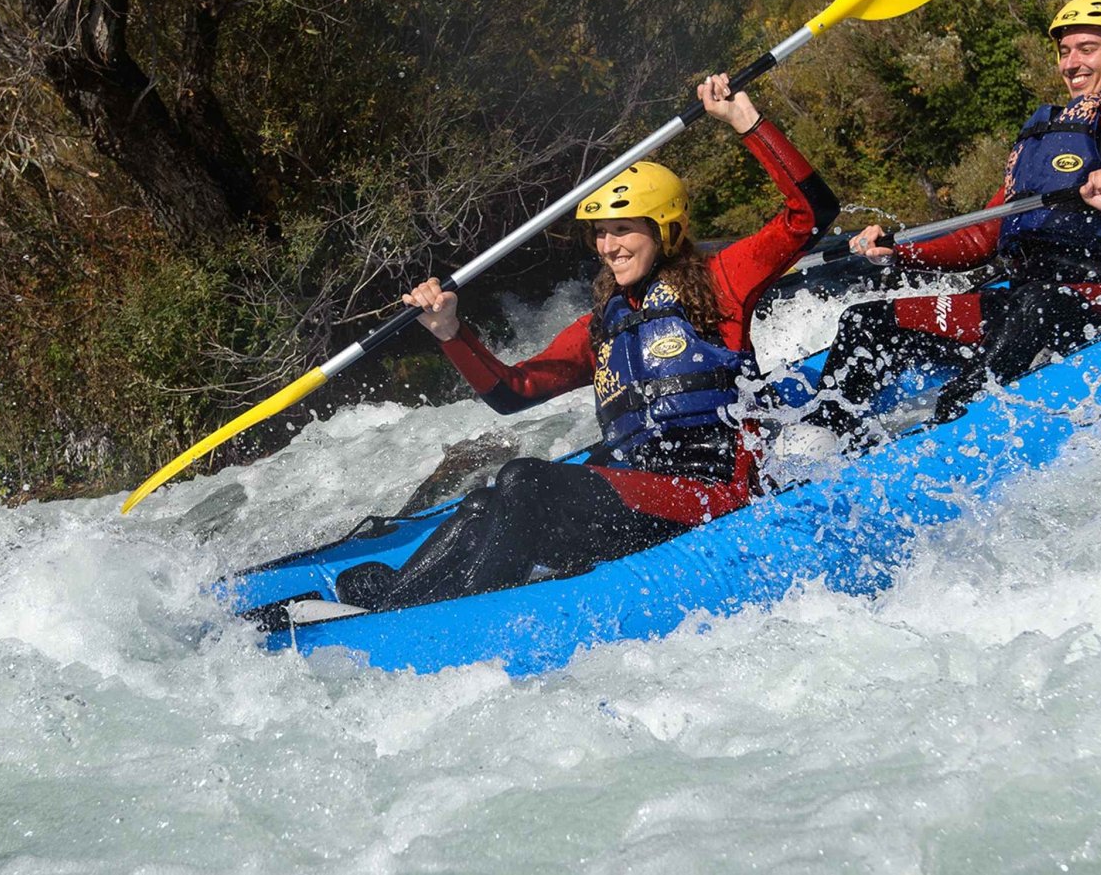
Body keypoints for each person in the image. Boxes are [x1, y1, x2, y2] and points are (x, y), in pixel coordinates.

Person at [335, 74, 840, 610]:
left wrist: (746, 121)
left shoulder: (722, 281)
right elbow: (512, 393)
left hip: (710, 491)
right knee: (483, 505)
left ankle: (448, 616)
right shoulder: (601, 326)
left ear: (665, 229)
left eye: (622, 229)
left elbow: (812, 214)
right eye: (600, 232)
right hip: (632, 498)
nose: (608, 245)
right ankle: (391, 606)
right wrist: (450, 332)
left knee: (525, 479)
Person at [794, 0, 1101, 447]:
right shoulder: (1040, 137)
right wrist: (897, 252)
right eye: (1065, 51)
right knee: (864, 321)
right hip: (1020, 301)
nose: (1071, 63)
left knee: (1037, 306)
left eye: (1087, 49)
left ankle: (955, 419)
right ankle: (819, 440)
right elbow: (980, 240)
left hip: (1096, 297)